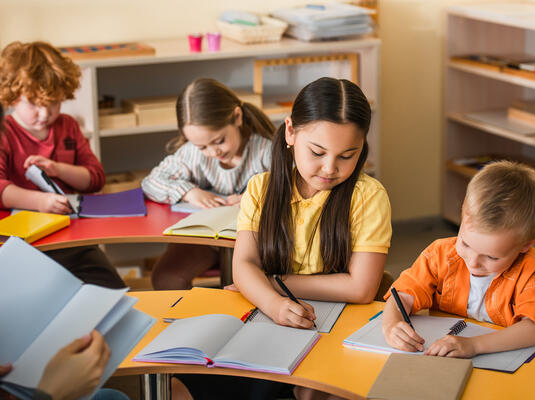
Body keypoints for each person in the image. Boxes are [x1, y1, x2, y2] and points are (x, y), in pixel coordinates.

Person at [222, 77, 391, 400]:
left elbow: (361, 287)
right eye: (317, 152)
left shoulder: (368, 196)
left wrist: (271, 282)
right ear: (290, 132)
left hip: (338, 326)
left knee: (304, 391)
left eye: (347, 155)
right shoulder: (261, 189)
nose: (330, 168)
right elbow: (242, 265)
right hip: (275, 318)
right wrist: (272, 302)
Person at [382, 160, 535, 358]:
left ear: (525, 245)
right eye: (465, 244)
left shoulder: (533, 271)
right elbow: (402, 295)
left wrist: (475, 346)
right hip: (442, 362)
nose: (472, 262)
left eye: (491, 257)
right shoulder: (439, 255)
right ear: (462, 215)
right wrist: (391, 325)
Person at [0, 42, 123, 289]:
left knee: (113, 291)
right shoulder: (5, 132)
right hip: (24, 248)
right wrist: (40, 202)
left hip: (74, 242)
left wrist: (58, 169)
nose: (45, 114)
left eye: (54, 103)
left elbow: (95, 177)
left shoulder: (68, 125)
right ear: (12, 97)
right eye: (34, 104)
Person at [141, 78, 274, 290]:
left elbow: (298, 186)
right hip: (207, 241)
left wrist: (255, 197)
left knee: (247, 287)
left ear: (237, 117)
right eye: (202, 146)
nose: (213, 152)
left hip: (259, 245)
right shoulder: (194, 154)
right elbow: (151, 182)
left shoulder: (266, 151)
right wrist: (190, 192)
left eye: (219, 141)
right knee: (166, 277)